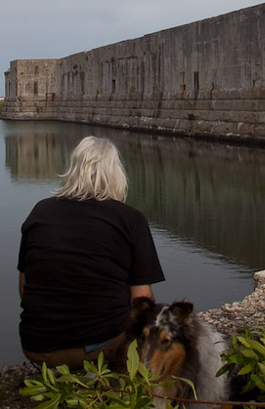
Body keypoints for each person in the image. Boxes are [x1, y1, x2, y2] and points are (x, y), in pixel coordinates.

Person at [17, 136, 165, 368]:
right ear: (116, 172)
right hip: (99, 346)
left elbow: (24, 287)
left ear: (73, 168)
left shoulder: (40, 211)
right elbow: (141, 299)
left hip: (37, 347)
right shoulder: (131, 219)